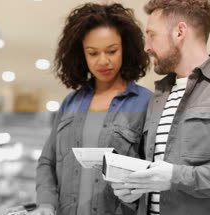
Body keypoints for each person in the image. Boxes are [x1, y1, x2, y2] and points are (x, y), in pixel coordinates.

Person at [111, 0, 210, 215]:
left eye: (152, 34)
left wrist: (177, 177)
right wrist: (136, 190)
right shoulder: (158, 96)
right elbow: (157, 175)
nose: (147, 46)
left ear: (180, 32)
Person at [30, 3, 153, 215]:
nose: (103, 61)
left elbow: (154, 174)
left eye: (112, 51)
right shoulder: (71, 103)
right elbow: (47, 162)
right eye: (93, 53)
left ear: (126, 48)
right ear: (81, 55)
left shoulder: (145, 103)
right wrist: (46, 204)